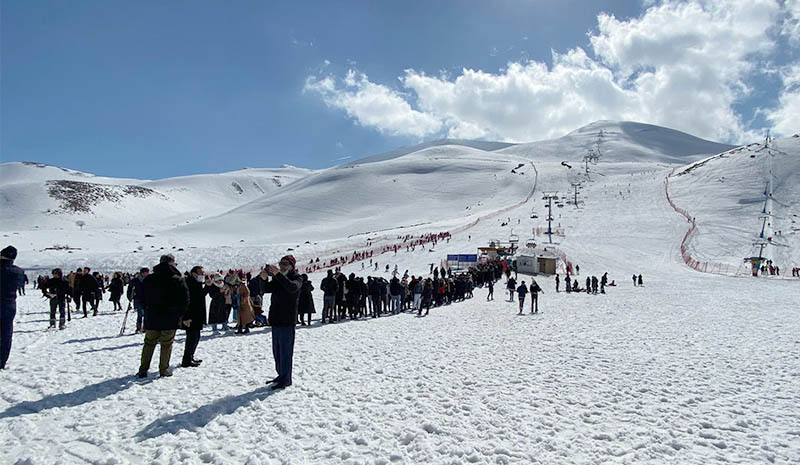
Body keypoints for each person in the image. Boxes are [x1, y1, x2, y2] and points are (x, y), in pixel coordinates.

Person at [137, 255, 189, 379]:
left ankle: (143, 369)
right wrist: (180, 314)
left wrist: (147, 310)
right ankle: (163, 369)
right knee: (166, 344)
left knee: (149, 343)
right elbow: (185, 300)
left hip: (152, 317)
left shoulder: (149, 279)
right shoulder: (177, 279)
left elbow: (142, 297)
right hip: (170, 318)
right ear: (172, 264)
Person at [264, 255, 302, 389]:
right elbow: (265, 289)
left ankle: (286, 379)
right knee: (277, 351)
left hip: (287, 319)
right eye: (281, 263)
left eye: (285, 264)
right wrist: (263, 278)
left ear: (292, 266)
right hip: (276, 319)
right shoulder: (278, 278)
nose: (282, 266)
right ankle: (281, 374)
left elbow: (291, 288)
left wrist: (278, 275)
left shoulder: (297, 278)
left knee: (286, 351)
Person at [1, 246, 24, 369]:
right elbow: (20, 284)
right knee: (6, 334)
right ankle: (2, 361)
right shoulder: (19, 271)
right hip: (9, 304)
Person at [182, 266, 209, 367]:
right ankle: (187, 359)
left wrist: (207, 286)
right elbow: (192, 299)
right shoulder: (190, 283)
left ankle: (190, 356)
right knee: (191, 338)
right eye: (201, 273)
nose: (202, 275)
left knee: (196, 337)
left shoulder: (196, 283)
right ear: (194, 273)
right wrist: (186, 317)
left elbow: (200, 296)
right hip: (191, 315)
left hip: (197, 314)